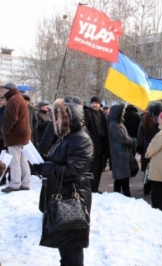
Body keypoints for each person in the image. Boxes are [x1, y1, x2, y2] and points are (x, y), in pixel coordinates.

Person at [34, 99, 94, 266]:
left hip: (73, 197)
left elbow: (73, 171)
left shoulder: (81, 139)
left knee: (73, 245)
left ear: (70, 118)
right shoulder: (66, 137)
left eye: (59, 117)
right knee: (63, 241)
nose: (56, 121)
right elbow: (58, 160)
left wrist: (47, 169)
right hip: (61, 194)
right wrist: (41, 163)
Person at [1, 83, 31, 193]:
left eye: (5, 90)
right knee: (23, 160)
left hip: (15, 136)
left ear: (9, 90)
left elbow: (11, 119)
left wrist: (4, 130)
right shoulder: (20, 98)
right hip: (24, 135)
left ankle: (15, 184)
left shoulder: (13, 100)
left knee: (15, 161)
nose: (3, 92)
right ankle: (26, 182)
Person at [109, 104, 137, 197]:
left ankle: (119, 195)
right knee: (123, 176)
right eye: (122, 111)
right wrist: (133, 141)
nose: (124, 113)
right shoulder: (115, 125)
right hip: (120, 154)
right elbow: (123, 138)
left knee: (120, 177)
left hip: (121, 153)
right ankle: (125, 194)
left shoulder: (118, 123)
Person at [137, 101, 162, 195]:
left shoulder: (144, 119)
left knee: (147, 168)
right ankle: (156, 188)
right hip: (160, 147)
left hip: (147, 146)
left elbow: (140, 135)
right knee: (157, 168)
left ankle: (146, 188)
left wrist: (140, 147)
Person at [84, 96, 109, 193]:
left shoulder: (102, 114)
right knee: (93, 168)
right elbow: (85, 128)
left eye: (96, 103)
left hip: (102, 146)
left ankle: (95, 187)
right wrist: (92, 138)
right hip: (93, 145)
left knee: (99, 168)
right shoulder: (87, 113)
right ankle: (91, 188)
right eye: (93, 102)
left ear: (99, 104)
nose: (94, 104)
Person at [0, 96, 11, 186]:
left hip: (9, 138)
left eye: (5, 100)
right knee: (1, 158)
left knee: (9, 158)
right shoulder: (0, 110)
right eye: (3, 100)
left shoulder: (11, 110)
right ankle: (2, 177)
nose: (4, 102)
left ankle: (11, 176)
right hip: (1, 138)